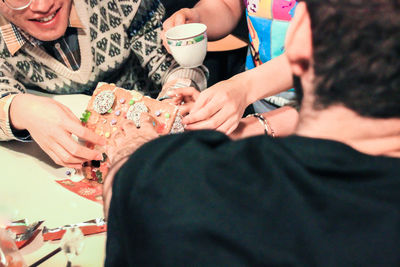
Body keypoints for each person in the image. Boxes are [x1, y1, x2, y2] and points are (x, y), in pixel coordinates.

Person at [104, 0, 400, 265]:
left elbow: (131, 192)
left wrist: (135, 150)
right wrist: (257, 120)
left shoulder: (172, 182)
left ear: (297, 39)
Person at [0, 0, 207, 168]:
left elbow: (179, 66)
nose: (43, 5)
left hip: (153, 158)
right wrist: (18, 110)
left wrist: (173, 103)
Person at [162, 0, 299, 137]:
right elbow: (227, 5)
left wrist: (243, 87)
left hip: (309, 106)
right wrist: (198, 17)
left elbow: (315, 56)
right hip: (260, 100)